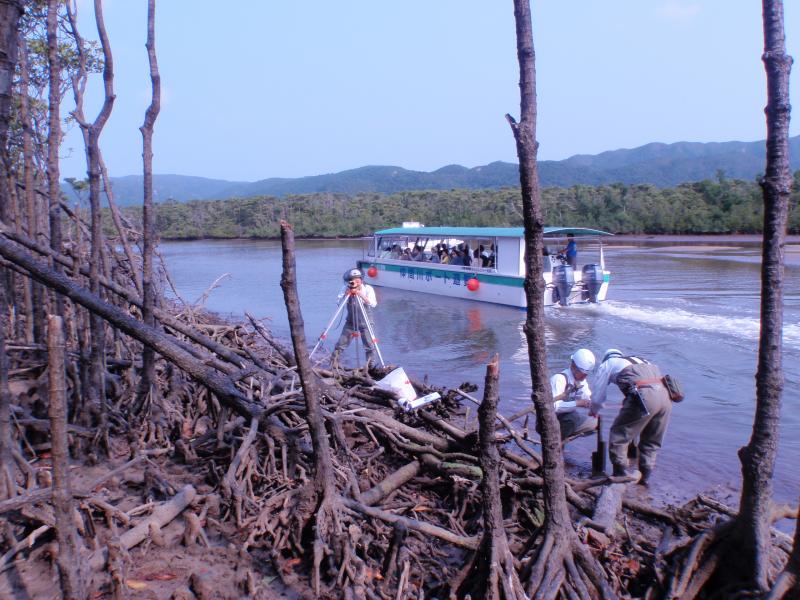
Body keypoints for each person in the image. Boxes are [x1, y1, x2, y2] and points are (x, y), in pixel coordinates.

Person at [590, 349, 672, 485]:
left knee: (619, 435)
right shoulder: (640, 360)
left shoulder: (608, 364)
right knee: (651, 440)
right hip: (666, 396)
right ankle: (644, 479)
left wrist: (593, 410)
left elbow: (598, 396)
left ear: (607, 358)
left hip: (645, 397)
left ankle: (620, 475)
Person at [546, 348, 598, 442]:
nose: (585, 377)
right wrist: (577, 403)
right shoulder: (559, 379)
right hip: (548, 422)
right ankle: (554, 443)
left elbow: (586, 396)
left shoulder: (580, 380)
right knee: (571, 419)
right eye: (583, 374)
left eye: (587, 374)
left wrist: (592, 403)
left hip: (565, 420)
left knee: (596, 424)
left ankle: (562, 441)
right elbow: (553, 407)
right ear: (573, 366)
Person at [330, 268, 378, 368]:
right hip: (351, 321)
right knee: (341, 343)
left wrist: (360, 295)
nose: (355, 282)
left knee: (369, 345)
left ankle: (370, 367)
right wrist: (346, 294)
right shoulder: (345, 288)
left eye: (357, 279)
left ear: (361, 279)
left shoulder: (368, 288)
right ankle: (333, 364)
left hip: (365, 321)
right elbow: (338, 302)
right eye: (352, 279)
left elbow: (373, 304)